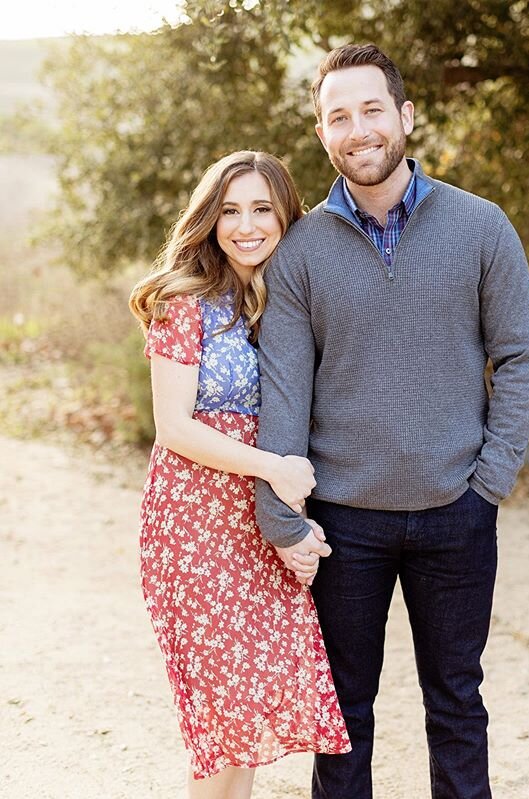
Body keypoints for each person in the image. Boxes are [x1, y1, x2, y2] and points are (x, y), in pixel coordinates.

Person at [254, 45, 529, 799]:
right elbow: (286, 392)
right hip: (343, 523)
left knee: (456, 707)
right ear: (322, 133)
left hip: (458, 511)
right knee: (343, 718)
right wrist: (283, 517)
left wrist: (490, 482)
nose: (359, 130)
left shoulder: (482, 228)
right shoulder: (300, 253)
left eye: (372, 109)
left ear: (405, 115)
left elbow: (519, 356)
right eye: (339, 117)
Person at [128, 150, 350, 799]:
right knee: (219, 707)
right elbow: (174, 427)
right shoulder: (182, 301)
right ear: (209, 218)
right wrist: (273, 468)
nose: (245, 225)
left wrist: (290, 511)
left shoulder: (281, 300)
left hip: (257, 521)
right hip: (195, 526)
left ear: (287, 217)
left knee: (246, 705)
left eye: (262, 209)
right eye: (230, 210)